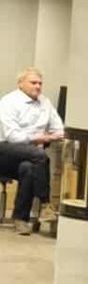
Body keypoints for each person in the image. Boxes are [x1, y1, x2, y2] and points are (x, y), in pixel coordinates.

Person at [0, 68, 64, 233]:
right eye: (33, 83)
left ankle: (20, 219)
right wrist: (40, 138)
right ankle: (45, 203)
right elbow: (13, 136)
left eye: (40, 83)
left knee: (28, 168)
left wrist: (49, 136)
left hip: (31, 155)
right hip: (5, 150)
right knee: (39, 155)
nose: (38, 87)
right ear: (20, 84)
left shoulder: (45, 102)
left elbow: (59, 129)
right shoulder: (8, 102)